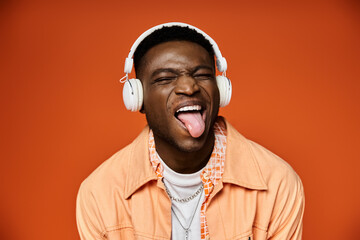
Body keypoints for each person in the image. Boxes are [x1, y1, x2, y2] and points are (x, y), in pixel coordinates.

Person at [76, 22, 304, 240]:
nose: (189, 87)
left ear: (221, 90)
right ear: (138, 99)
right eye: (165, 78)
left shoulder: (277, 183)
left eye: (202, 75)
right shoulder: (100, 193)